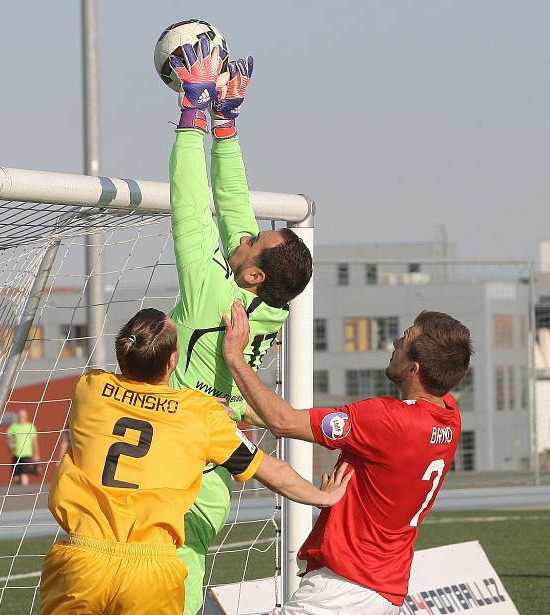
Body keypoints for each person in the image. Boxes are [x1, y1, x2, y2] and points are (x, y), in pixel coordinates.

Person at [40, 308, 352, 615]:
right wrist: (323, 496)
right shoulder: (200, 413)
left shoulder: (90, 388)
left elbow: (138, 399)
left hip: (83, 558)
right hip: (151, 570)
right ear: (172, 361)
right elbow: (272, 472)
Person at [165, 37, 313, 612]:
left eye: (252, 243)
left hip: (173, 466)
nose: (245, 235)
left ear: (252, 274)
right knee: (185, 578)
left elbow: (191, 206)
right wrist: (225, 128)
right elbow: (233, 209)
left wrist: (191, 116)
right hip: (213, 474)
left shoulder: (212, 298)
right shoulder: (272, 302)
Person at [222, 301, 473, 614]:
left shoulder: (387, 419)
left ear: (414, 368)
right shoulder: (450, 416)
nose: (395, 343)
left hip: (345, 591)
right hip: (384, 591)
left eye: (404, 339)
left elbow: (283, 422)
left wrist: (235, 357)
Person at [6, 409, 39, 485]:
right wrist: (10, 444)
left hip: (27, 454)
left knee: (24, 474)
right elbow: (8, 437)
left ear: (26, 416)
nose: (22, 417)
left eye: (23, 416)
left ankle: (25, 492)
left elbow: (35, 442)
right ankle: (18, 491)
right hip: (16, 454)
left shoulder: (30, 426)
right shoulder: (13, 427)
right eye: (20, 416)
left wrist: (36, 454)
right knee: (16, 477)